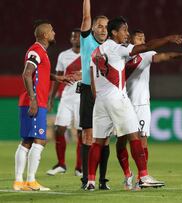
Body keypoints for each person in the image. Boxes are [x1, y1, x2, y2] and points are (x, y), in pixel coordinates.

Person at [86, 16, 182, 191]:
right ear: (114, 32)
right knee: (134, 137)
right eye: (124, 30)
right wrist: (168, 39)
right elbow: (146, 47)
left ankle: (91, 181)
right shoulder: (117, 49)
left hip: (100, 101)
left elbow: (94, 80)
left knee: (97, 142)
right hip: (117, 98)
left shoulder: (96, 52)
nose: (126, 33)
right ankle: (144, 176)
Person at [118, 30, 182, 190]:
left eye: (144, 37)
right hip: (122, 103)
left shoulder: (147, 54)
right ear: (131, 39)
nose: (142, 39)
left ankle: (143, 176)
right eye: (138, 37)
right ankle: (127, 175)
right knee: (121, 141)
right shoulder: (122, 54)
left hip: (141, 104)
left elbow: (166, 56)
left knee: (142, 140)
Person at [14, 20, 76, 191]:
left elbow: (39, 73)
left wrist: (58, 78)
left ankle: (19, 182)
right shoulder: (36, 50)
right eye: (51, 30)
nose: (54, 32)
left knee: (27, 141)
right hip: (35, 102)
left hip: (33, 101)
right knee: (40, 140)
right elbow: (27, 74)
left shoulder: (41, 52)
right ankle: (31, 181)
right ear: (44, 35)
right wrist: (33, 99)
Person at [79, 0, 110, 190]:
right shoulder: (87, 40)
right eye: (99, 26)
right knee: (88, 135)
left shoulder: (111, 46)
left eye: (106, 27)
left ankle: (102, 180)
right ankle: (86, 180)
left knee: (105, 137)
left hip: (106, 93)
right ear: (92, 29)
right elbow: (86, 17)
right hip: (88, 91)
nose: (103, 30)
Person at [46, 28, 83, 177]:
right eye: (73, 36)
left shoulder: (89, 55)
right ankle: (61, 164)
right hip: (66, 98)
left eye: (78, 36)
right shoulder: (63, 55)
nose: (75, 38)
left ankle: (79, 167)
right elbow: (58, 78)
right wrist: (51, 98)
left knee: (81, 133)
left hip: (82, 98)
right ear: (70, 38)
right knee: (59, 130)